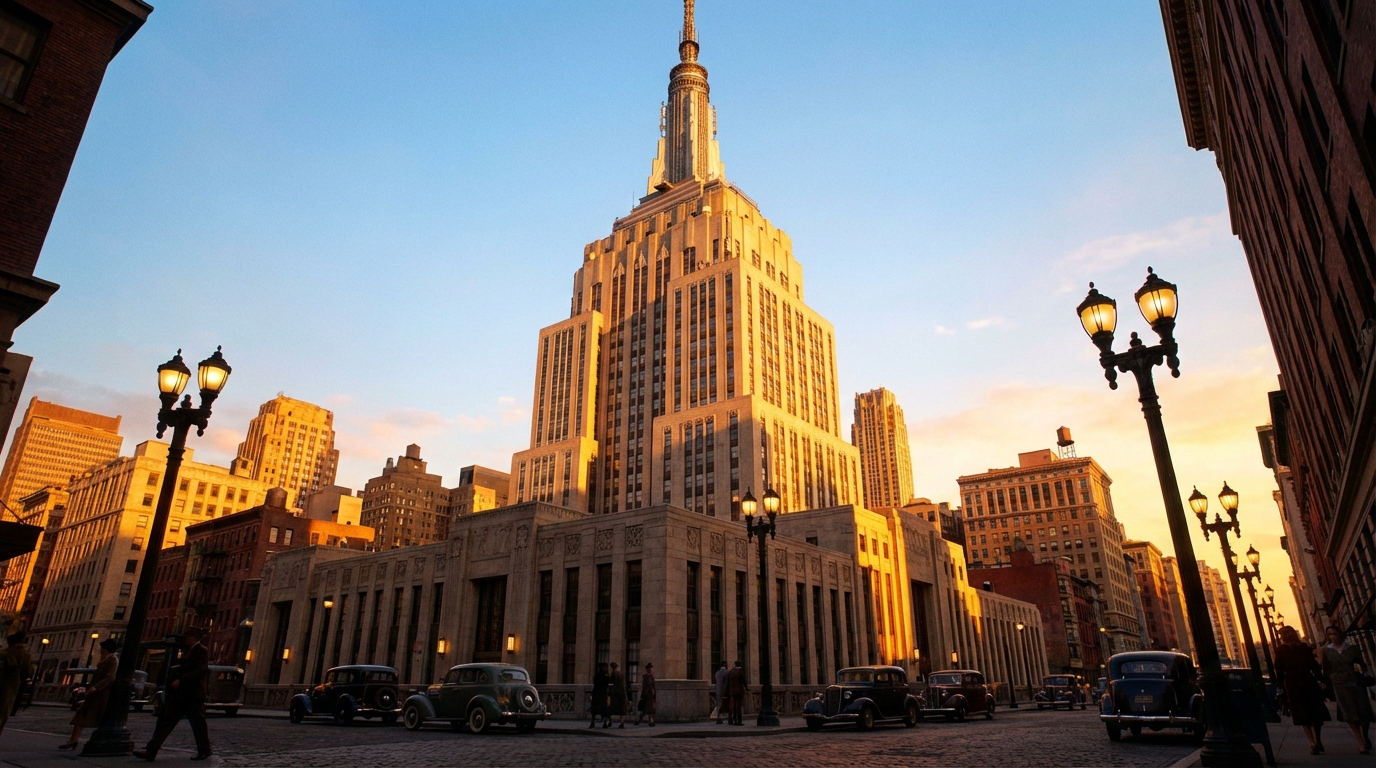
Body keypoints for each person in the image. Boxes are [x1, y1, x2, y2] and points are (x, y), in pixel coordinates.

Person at [134, 627, 211, 761]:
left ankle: (205, 750)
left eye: (186, 637)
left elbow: (201, 670)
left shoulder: (201, 650)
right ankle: (151, 751)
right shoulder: (188, 651)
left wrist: (180, 679)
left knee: (198, 725)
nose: (185, 639)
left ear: (192, 637)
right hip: (182, 694)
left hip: (193, 694)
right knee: (166, 721)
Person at [1274, 625, 1330, 755]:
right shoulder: (1302, 648)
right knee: (1312, 712)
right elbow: (1313, 665)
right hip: (1306, 680)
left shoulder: (1282, 650)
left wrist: (1280, 685)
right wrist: (1320, 679)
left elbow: (1279, 669)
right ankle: (1316, 741)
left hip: (1294, 682)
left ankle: (1313, 742)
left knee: (1303, 713)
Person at [1321, 624, 1374, 754]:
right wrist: (1328, 686)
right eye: (1329, 635)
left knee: (1363, 713)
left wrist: (1360, 670)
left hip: (1355, 683)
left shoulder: (1352, 649)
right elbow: (1326, 670)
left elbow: (1362, 664)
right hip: (1339, 684)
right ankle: (1361, 742)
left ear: (1340, 634)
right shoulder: (1327, 651)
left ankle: (1365, 735)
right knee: (1349, 715)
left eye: (1334, 633)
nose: (1332, 637)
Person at [61, 638, 119, 749]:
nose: (101, 650)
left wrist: (96, 688)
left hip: (102, 694)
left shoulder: (112, 660)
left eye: (103, 648)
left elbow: (110, 677)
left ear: (107, 649)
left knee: (100, 717)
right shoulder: (104, 660)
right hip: (94, 693)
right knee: (81, 715)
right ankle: (73, 740)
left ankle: (101, 741)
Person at [0, 631, 31, 737]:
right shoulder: (23, 653)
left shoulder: (4, 651)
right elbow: (26, 671)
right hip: (11, 686)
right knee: (4, 712)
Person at [590, 663, 611, 729]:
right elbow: (607, 684)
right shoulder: (606, 677)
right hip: (602, 694)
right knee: (604, 709)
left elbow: (595, 685)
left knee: (594, 709)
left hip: (596, 693)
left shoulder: (596, 676)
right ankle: (605, 723)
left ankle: (592, 723)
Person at [726, 660, 747, 725]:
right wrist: (746, 688)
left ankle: (731, 719)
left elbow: (728, 682)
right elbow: (743, 681)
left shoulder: (731, 672)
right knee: (738, 707)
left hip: (731, 691)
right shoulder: (740, 672)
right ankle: (738, 720)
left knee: (732, 706)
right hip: (739, 691)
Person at [608, 662, 628, 728]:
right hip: (622, 693)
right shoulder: (621, 673)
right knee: (621, 709)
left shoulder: (613, 673)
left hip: (616, 693)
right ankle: (622, 722)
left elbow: (611, 681)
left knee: (611, 708)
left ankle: (609, 721)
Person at [636, 662, 656, 726]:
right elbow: (645, 686)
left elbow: (652, 686)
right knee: (647, 709)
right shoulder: (646, 676)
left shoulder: (650, 676)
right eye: (649, 668)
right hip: (647, 695)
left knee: (647, 710)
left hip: (650, 695)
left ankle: (640, 720)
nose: (650, 670)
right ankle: (650, 721)